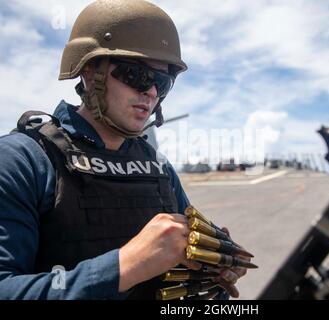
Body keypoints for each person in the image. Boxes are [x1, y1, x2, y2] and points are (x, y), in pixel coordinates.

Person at [0, 0, 247, 299]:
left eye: (162, 82)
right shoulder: (24, 161)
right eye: (138, 76)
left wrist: (210, 271)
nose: (152, 92)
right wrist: (124, 267)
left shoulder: (158, 167)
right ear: (91, 73)